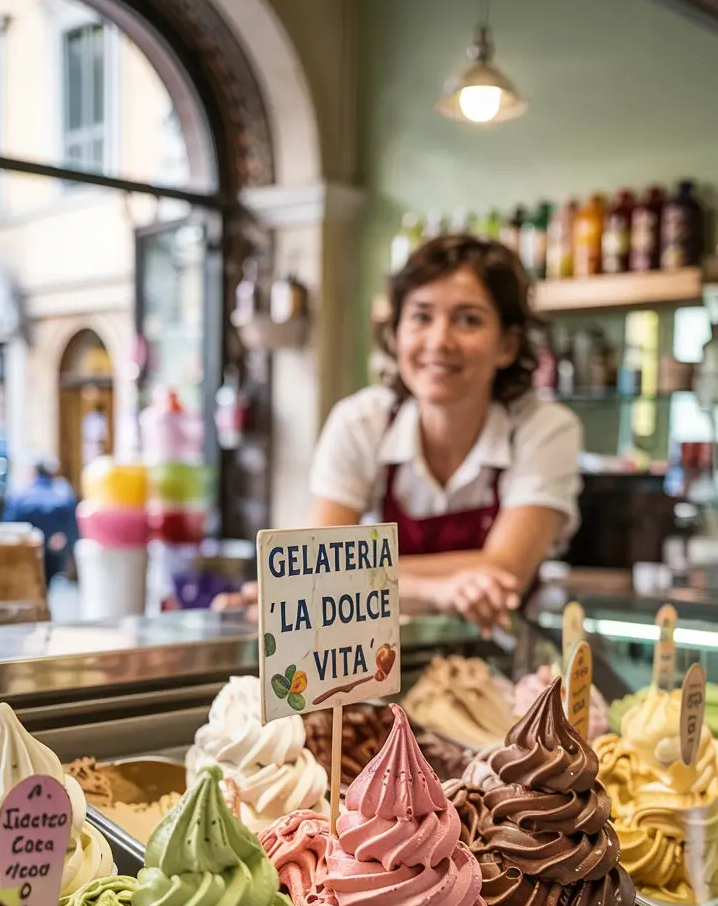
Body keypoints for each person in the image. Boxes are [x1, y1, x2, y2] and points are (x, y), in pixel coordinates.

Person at [215, 234, 581, 633]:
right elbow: (313, 576)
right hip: (377, 663)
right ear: (396, 333)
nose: (439, 342)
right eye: (421, 317)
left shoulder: (544, 429)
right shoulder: (360, 423)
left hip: (504, 662)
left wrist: (347, 578)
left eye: (469, 320)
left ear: (507, 346)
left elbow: (506, 568)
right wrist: (437, 589)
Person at [3, 456, 79, 587]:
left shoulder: (20, 493)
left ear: (33, 472)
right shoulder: (63, 492)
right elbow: (72, 525)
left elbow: (9, 524)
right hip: (55, 549)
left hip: (27, 549)